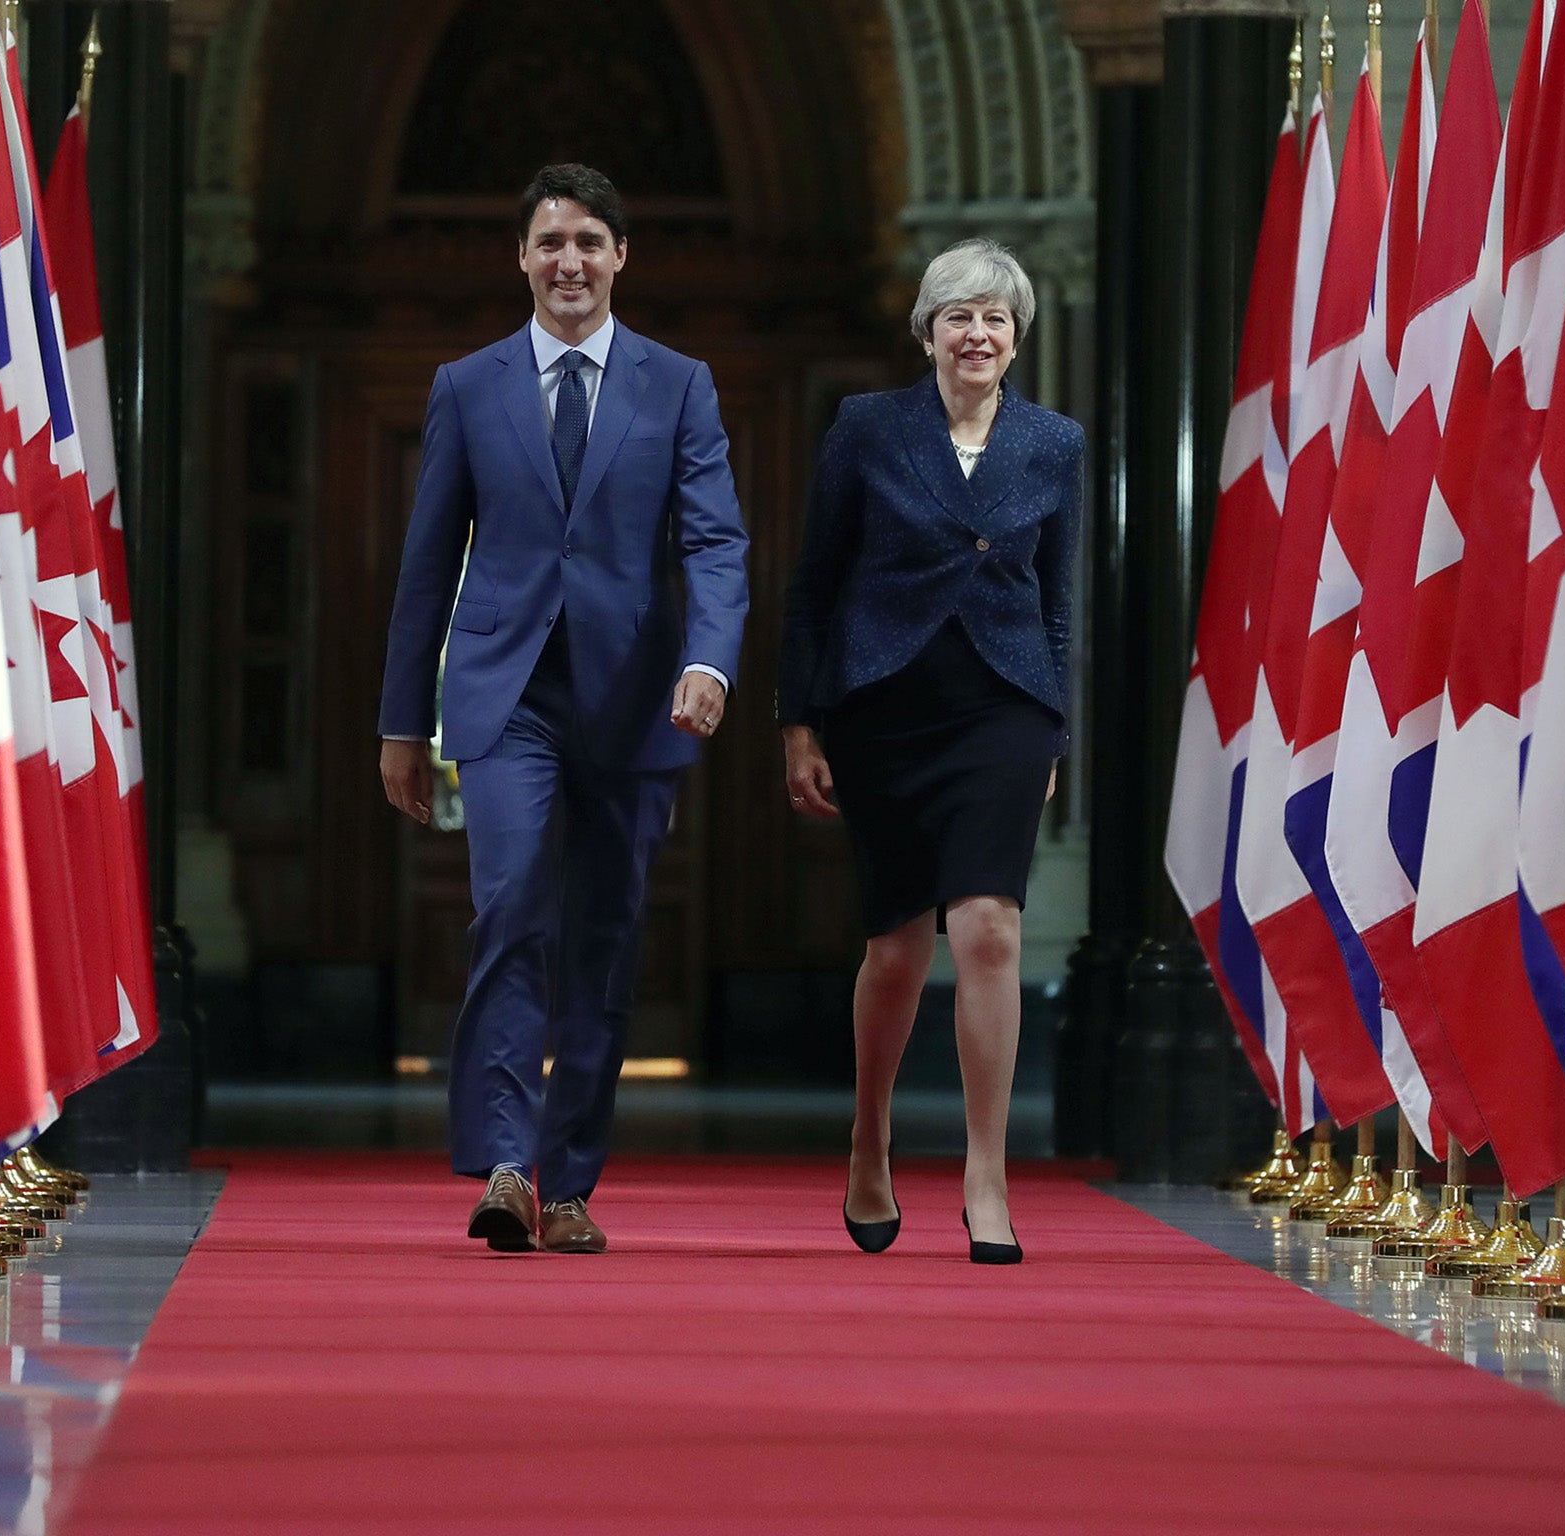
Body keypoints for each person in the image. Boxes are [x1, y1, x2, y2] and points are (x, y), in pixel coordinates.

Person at [379, 164, 749, 1255]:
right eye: (548, 243)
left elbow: (715, 542)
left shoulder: (678, 384)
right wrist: (402, 722)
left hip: (635, 704)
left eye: (588, 241)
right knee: (507, 911)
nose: (568, 262)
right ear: (522, 259)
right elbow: (424, 561)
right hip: (504, 700)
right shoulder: (466, 384)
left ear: (620, 256)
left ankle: (570, 1183)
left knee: (603, 937)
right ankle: (504, 1165)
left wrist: (709, 665)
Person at [777, 238, 1081, 1265]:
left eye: (995, 317)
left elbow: (1058, 601)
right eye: (957, 314)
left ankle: (984, 1174)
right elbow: (815, 581)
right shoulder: (868, 428)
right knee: (898, 948)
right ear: (925, 332)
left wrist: (1053, 727)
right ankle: (870, 1135)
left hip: (1002, 708)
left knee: (988, 926)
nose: (977, 333)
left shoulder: (1052, 443)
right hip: (884, 709)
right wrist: (798, 722)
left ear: (1016, 336)